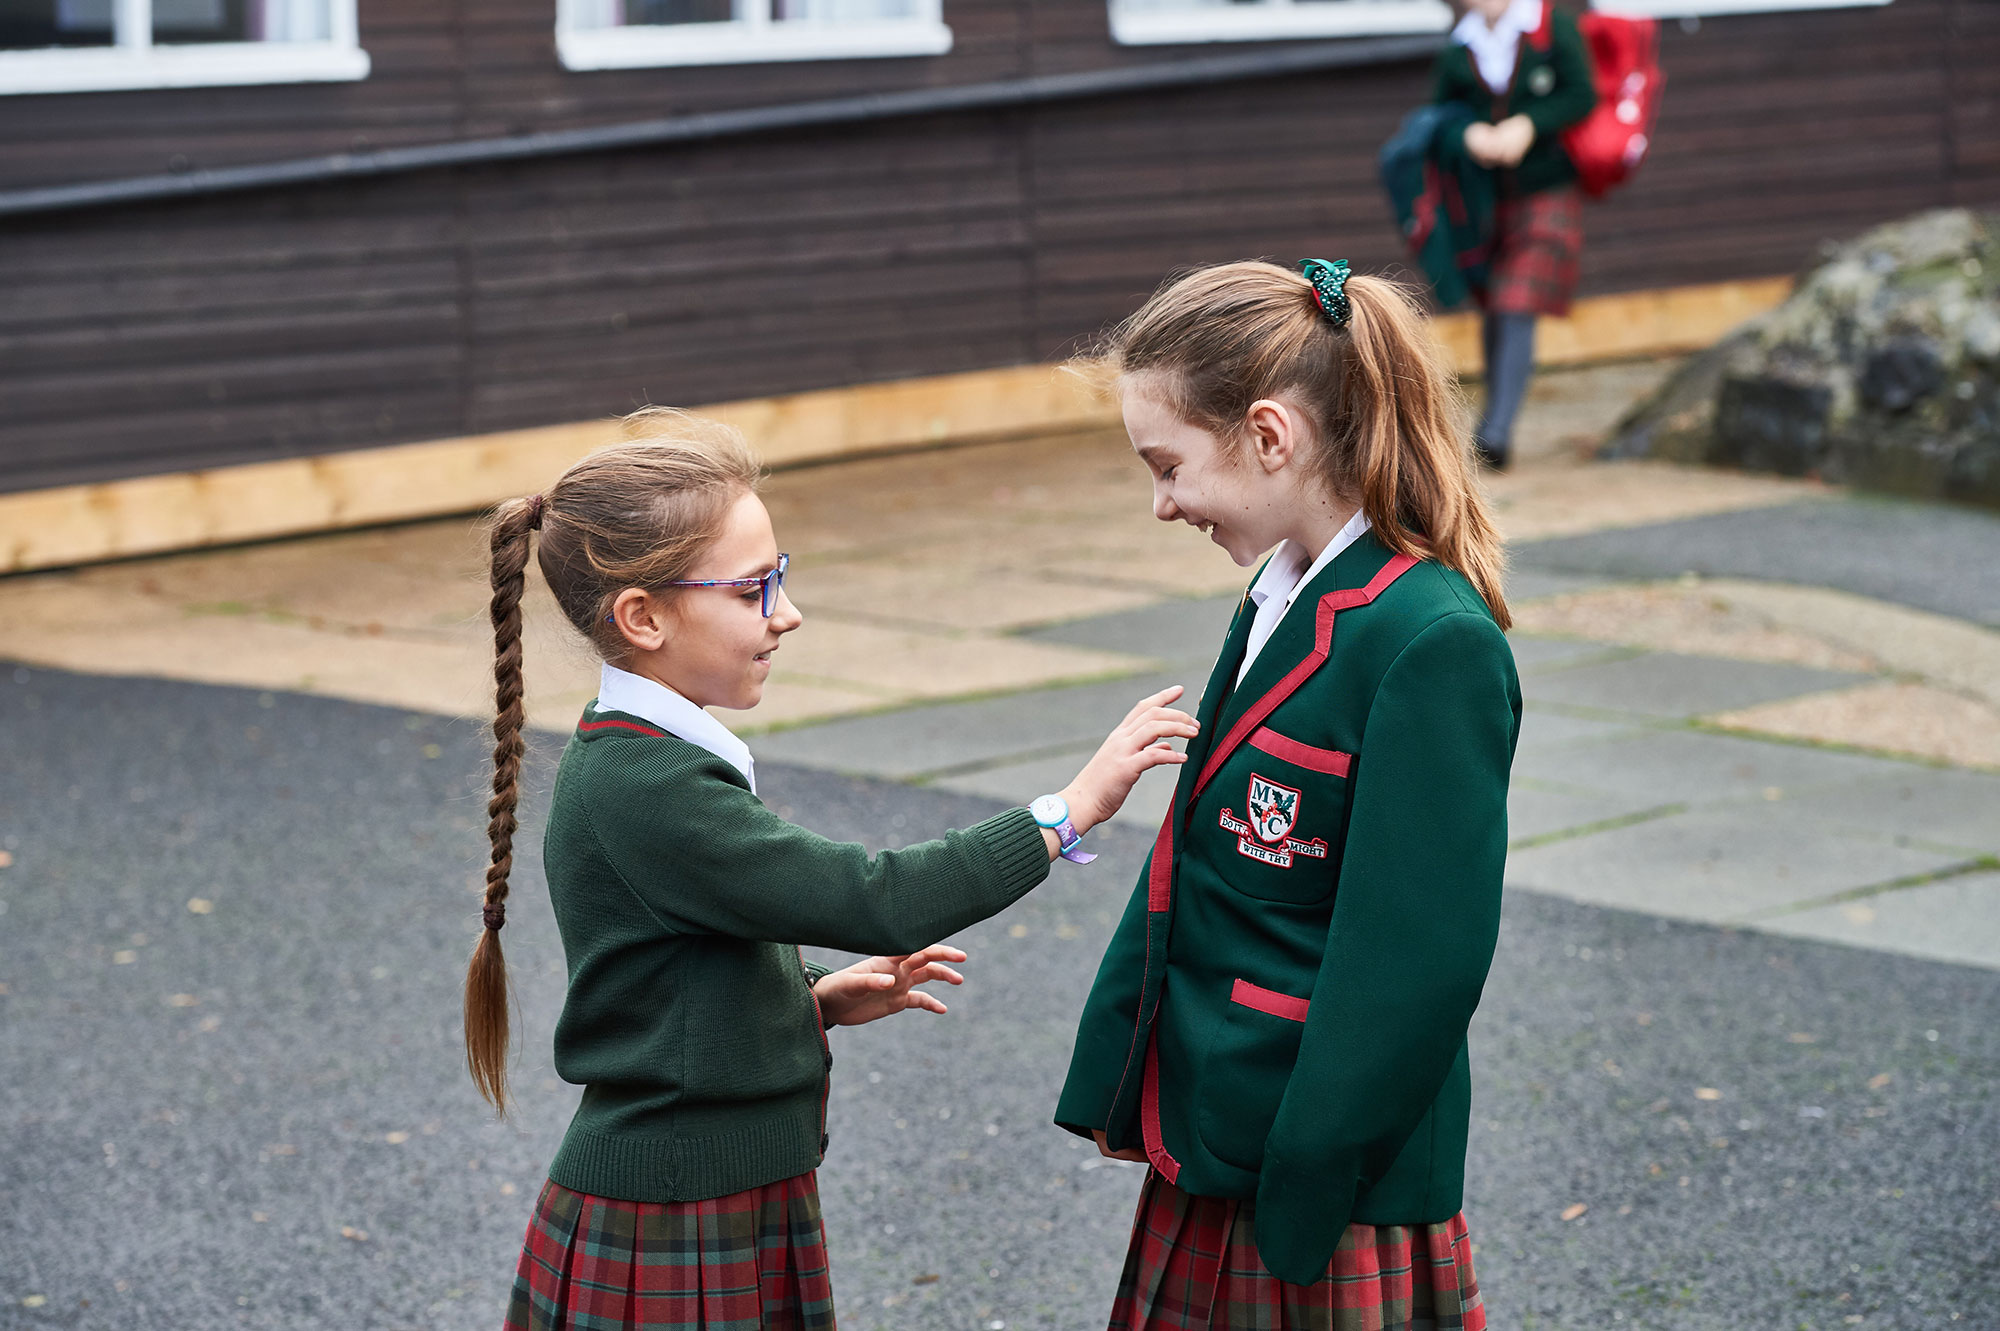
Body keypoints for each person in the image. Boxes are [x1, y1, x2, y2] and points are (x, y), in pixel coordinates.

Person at [466, 408, 1200, 1331]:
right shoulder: (646, 783)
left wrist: (804, 997)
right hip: (675, 1206)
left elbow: (673, 968)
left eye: (783, 578)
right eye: (752, 590)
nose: (788, 611)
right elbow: (874, 897)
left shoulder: (650, 757)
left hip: (712, 1187)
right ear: (642, 616)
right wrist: (1067, 810)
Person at [1054, 260, 1521, 1331]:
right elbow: (1192, 867)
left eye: (1166, 465)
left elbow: (1412, 966)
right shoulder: (1281, 592)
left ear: (1269, 436)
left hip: (1314, 1175)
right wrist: (1116, 1069)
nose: (1159, 502)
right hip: (1223, 1131)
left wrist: (1309, 1173)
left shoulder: (1429, 643)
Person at [1434, 0, 1598, 469]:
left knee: (1516, 304)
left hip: (1546, 191)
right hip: (1485, 202)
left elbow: (1581, 94)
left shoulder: (1551, 29)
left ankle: (1497, 433)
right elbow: (1437, 118)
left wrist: (1529, 124)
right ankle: (1493, 423)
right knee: (1494, 307)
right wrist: (1467, 135)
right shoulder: (1459, 45)